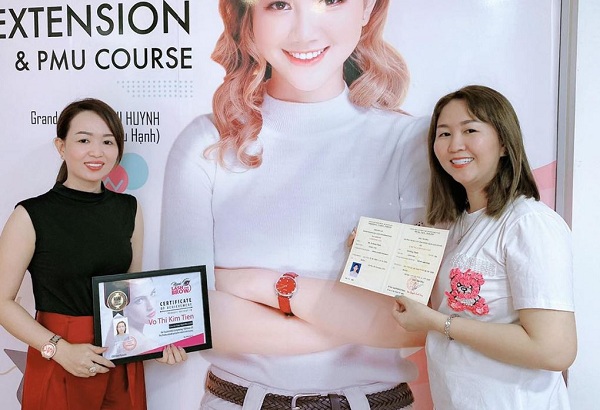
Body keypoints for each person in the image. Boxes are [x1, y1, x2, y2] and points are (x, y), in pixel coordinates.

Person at [160, 0, 430, 408]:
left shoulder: (409, 144)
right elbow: (187, 315)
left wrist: (259, 285)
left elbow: (412, 321)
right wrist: (358, 319)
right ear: (247, 16)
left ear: (367, 8)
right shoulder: (206, 144)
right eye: (279, 4)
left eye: (330, 0)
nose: (304, 32)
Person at [392, 85, 577, 409]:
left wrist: (437, 323)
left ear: (504, 143)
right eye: (444, 133)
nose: (454, 145)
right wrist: (369, 251)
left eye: (470, 130)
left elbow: (554, 350)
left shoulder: (528, 223)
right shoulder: (453, 225)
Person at [0, 98, 185, 410]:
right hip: (61, 357)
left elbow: (132, 293)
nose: (97, 152)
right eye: (84, 140)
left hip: (120, 358)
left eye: (108, 142)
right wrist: (59, 350)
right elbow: (2, 302)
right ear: (61, 147)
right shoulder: (31, 214)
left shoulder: (129, 209)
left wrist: (157, 341)